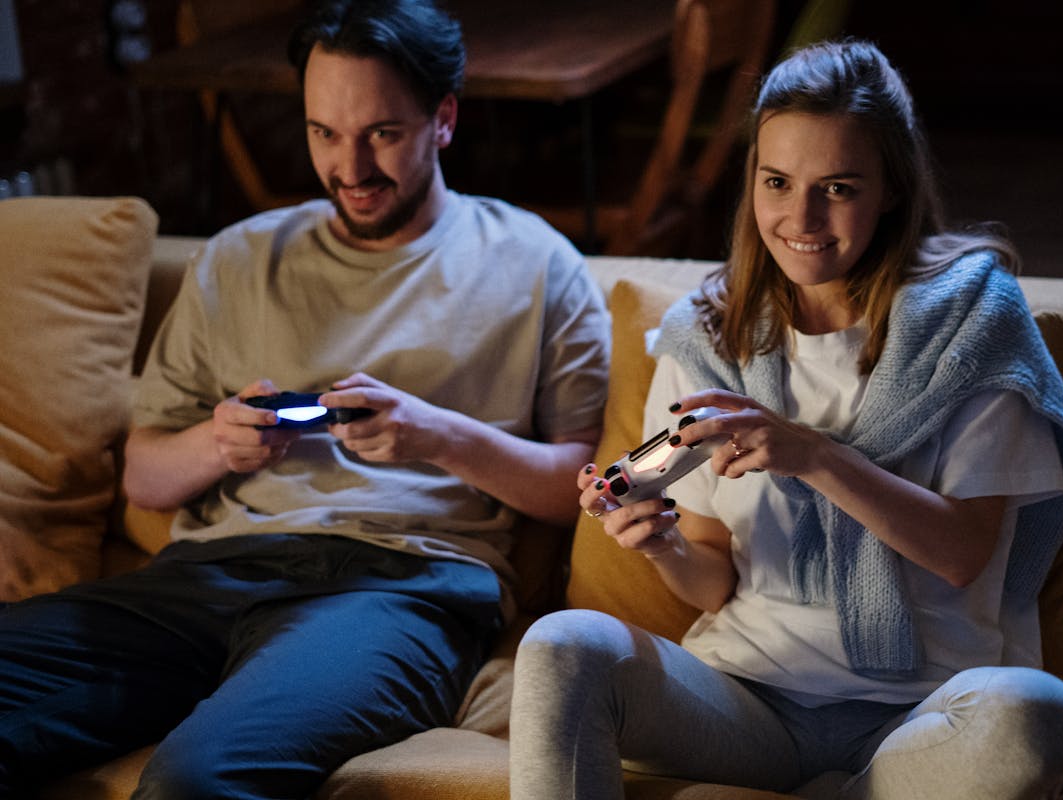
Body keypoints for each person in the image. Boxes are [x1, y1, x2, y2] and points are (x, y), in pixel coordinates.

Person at [0, 0, 609, 797]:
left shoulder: (537, 263)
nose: (349, 168)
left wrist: (438, 437)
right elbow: (144, 479)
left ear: (444, 119)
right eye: (324, 132)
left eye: (382, 134)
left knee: (195, 781)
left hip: (398, 590)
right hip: (206, 576)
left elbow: (581, 488)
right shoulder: (239, 259)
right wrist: (218, 443)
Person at [510, 39, 1063, 800]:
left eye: (838, 187)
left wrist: (813, 455)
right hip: (748, 701)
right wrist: (660, 546)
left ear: (890, 188)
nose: (801, 217)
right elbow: (713, 575)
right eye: (777, 181)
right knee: (561, 644)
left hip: (925, 712)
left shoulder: (972, 326)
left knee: (1040, 711)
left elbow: (962, 554)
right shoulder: (708, 340)